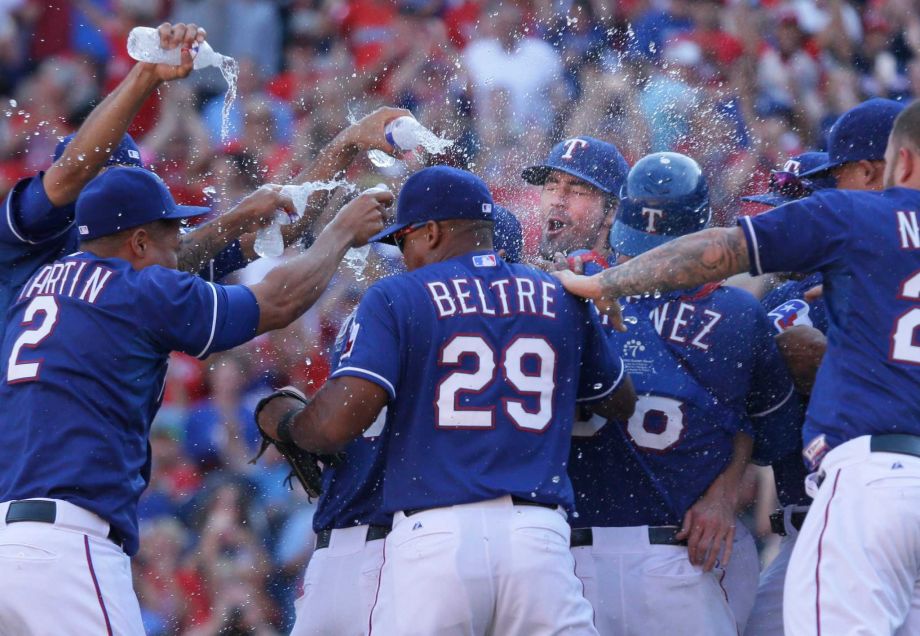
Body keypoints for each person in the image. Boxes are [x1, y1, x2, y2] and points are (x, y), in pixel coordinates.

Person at [554, 101, 920, 635]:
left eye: (838, 176)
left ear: (895, 165)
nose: (837, 186)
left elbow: (722, 250)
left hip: (871, 485)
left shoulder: (858, 217)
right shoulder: (754, 309)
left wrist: (602, 283)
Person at [0, 166, 388, 635]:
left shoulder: (38, 286)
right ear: (139, 243)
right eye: (171, 237)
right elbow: (278, 302)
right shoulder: (138, 289)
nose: (179, 250)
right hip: (68, 548)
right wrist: (342, 231)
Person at [256, 165, 636, 635]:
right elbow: (618, 402)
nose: (404, 254)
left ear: (431, 232)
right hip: (539, 538)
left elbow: (336, 426)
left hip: (436, 538)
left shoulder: (398, 295)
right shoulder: (558, 293)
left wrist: (289, 424)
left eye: (404, 240)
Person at [565, 152, 799, 636]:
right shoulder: (737, 313)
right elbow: (772, 437)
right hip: (682, 557)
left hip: (567, 561)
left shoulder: (565, 294)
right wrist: (725, 488)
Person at [521, 135, 629, 264]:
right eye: (551, 187)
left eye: (577, 191)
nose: (557, 201)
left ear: (612, 211)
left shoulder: (629, 282)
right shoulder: (524, 280)